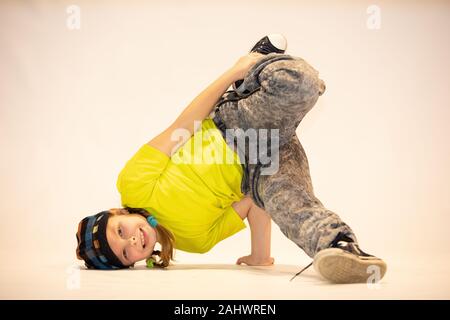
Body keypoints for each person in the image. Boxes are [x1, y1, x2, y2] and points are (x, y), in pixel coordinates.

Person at [76, 34, 386, 283]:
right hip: (261, 168)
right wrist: (260, 256)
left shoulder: (133, 185)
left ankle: (250, 78)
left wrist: (235, 70)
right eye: (126, 254)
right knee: (290, 203)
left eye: (120, 231)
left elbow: (185, 126)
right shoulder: (195, 242)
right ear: (135, 264)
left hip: (235, 127)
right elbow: (252, 202)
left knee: (300, 82)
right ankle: (340, 246)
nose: (133, 241)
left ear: (117, 212)